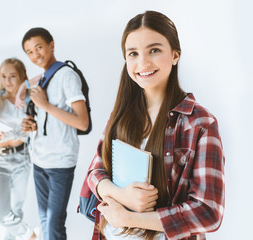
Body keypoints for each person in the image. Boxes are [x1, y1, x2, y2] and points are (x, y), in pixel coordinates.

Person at [86, 11, 225, 240]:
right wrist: (122, 195)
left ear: (175, 55)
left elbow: (208, 212)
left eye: (154, 50)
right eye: (133, 53)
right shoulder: (121, 114)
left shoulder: (199, 123)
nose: (142, 63)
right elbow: (94, 171)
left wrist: (128, 218)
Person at [20, 27, 89, 240]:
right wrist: (32, 125)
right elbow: (49, 121)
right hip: (39, 158)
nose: (35, 55)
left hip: (60, 162)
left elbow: (82, 122)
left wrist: (45, 105)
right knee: (44, 219)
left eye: (39, 47)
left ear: (51, 45)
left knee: (54, 222)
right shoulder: (42, 78)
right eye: (29, 52)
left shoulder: (66, 75)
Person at [0, 58, 37, 240]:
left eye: (13, 76)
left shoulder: (30, 98)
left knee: (15, 210)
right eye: (3, 76)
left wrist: (24, 87)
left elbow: (46, 77)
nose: (7, 81)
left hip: (21, 158)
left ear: (22, 76)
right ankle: (29, 235)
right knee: (1, 214)